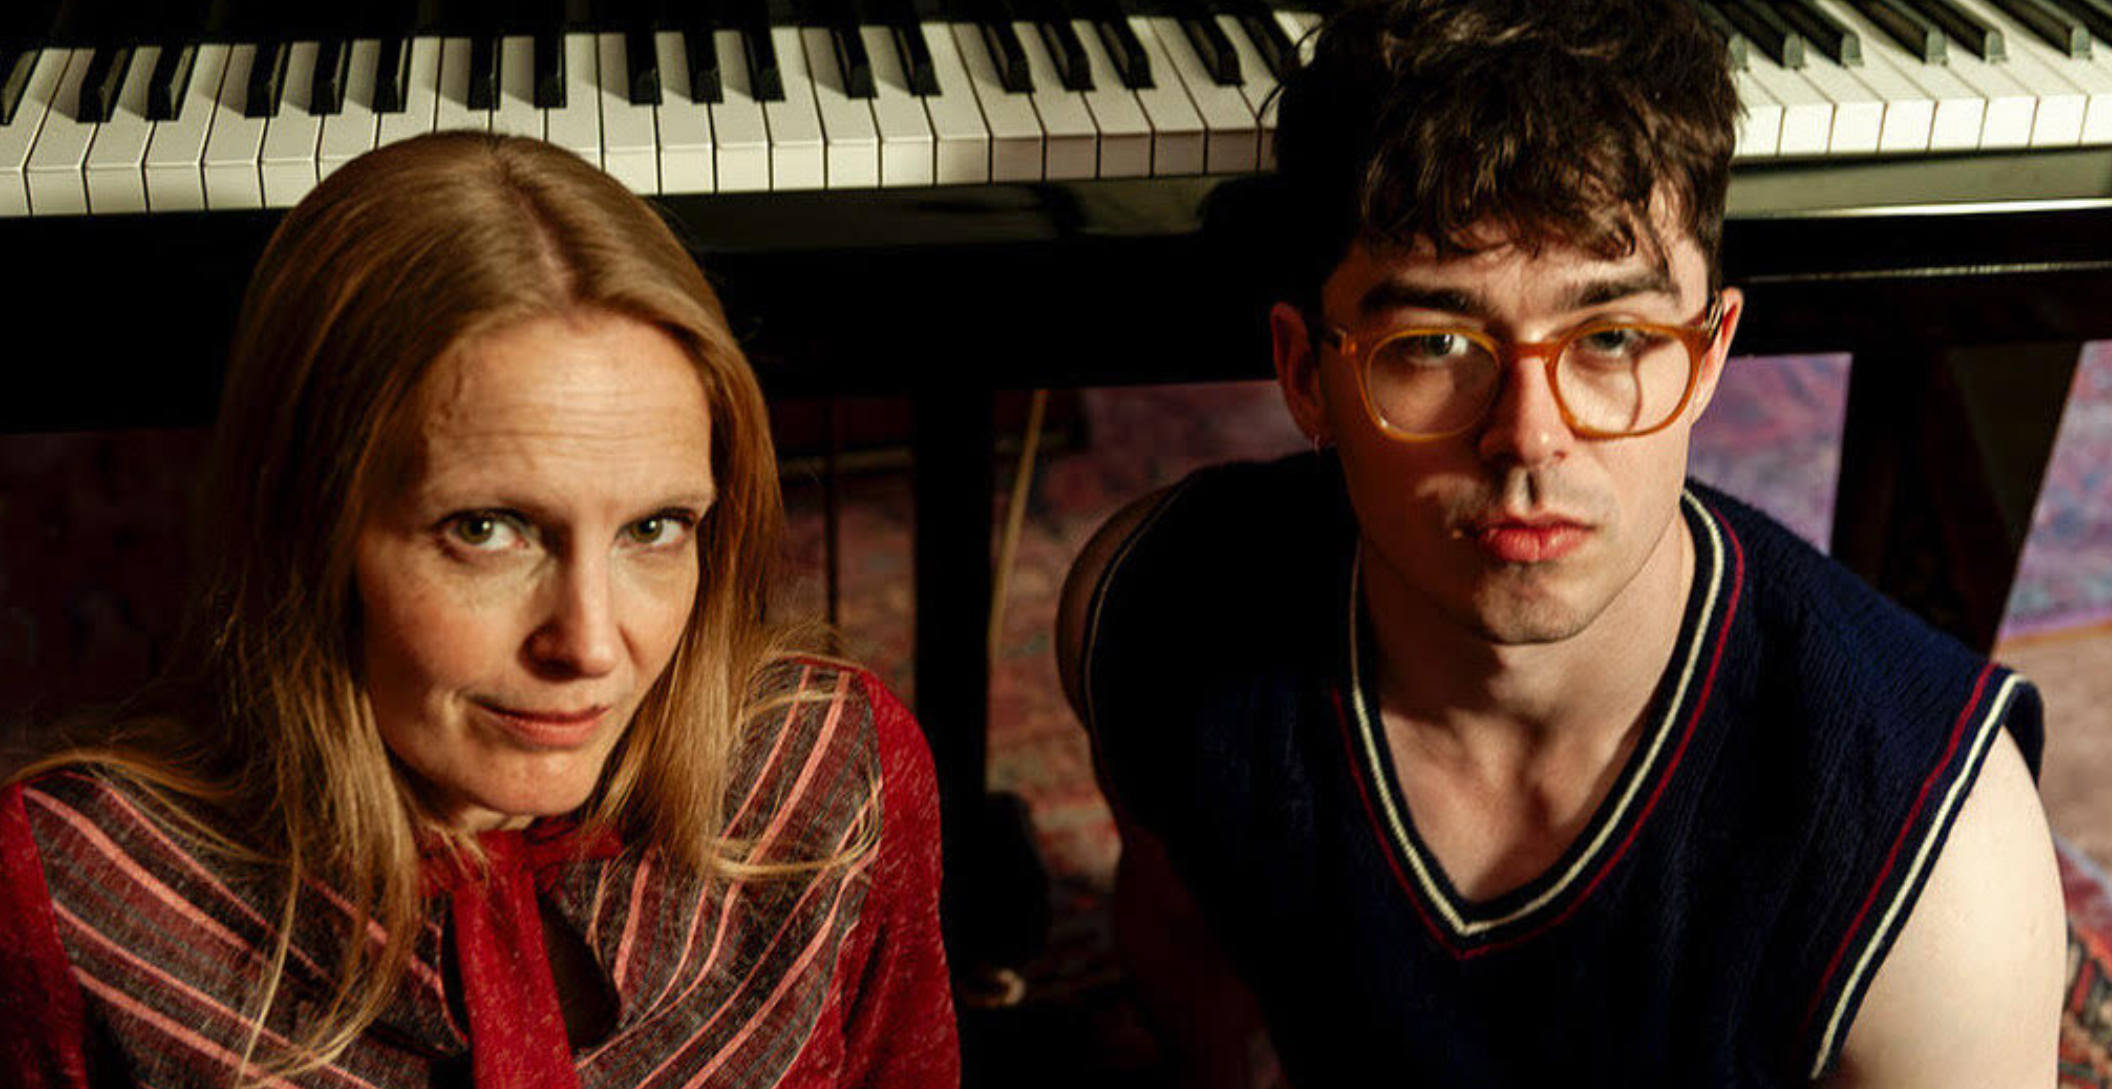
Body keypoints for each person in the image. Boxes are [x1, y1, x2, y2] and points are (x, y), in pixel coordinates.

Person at [1056, 0, 2064, 1084]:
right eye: (1435, 343)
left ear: (1710, 354)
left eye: (1613, 336)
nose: (1529, 434)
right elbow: (1182, 944)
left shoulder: (1943, 870)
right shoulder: (1149, 612)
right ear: (1307, 373)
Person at [0, 132, 957, 1089]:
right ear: (305, 529)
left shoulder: (829, 778)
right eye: (487, 529)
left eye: (654, 527)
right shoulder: (77, 901)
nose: (590, 644)